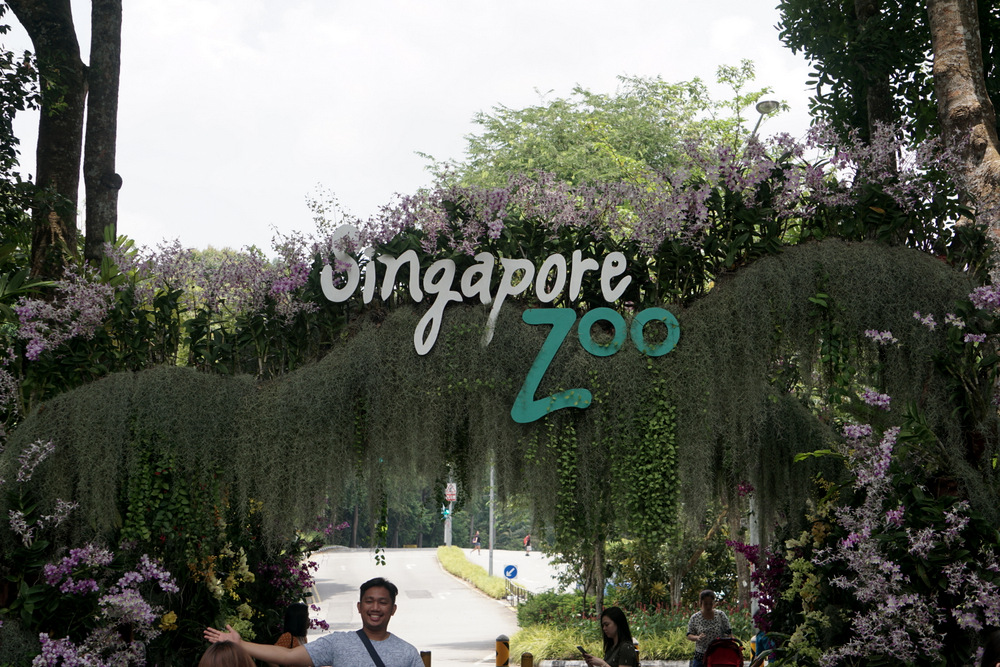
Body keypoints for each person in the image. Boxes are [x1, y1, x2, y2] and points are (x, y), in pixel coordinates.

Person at [204, 577, 423, 667]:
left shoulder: (407, 653)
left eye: (382, 602)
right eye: (369, 601)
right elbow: (287, 656)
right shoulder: (338, 643)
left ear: (393, 609)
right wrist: (240, 644)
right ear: (359, 607)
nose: (375, 608)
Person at [686, 590, 731, 667]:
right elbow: (689, 635)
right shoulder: (695, 617)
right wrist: (697, 637)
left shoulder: (720, 615)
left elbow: (729, 632)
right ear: (700, 603)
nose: (708, 606)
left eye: (710, 603)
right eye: (705, 603)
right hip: (701, 657)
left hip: (718, 656)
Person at [266, 602, 310, 667]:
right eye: (306, 617)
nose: (309, 619)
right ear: (299, 620)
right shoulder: (288, 637)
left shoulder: (303, 638)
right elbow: (270, 657)